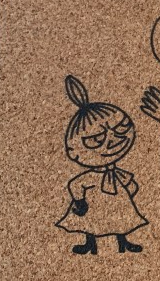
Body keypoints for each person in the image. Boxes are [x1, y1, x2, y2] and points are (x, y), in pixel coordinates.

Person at [55, 75, 147, 255]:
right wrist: (80, 202)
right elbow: (76, 184)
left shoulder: (115, 173)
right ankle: (90, 244)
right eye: (96, 139)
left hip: (117, 200)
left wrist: (130, 187)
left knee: (122, 219)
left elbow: (127, 182)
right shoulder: (91, 176)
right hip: (94, 202)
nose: (113, 141)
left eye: (121, 129)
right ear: (74, 151)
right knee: (91, 222)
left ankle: (124, 242)